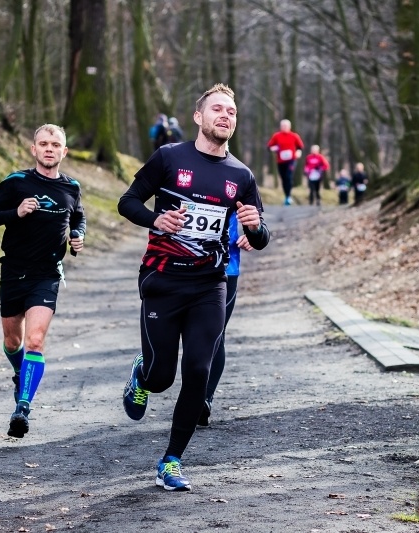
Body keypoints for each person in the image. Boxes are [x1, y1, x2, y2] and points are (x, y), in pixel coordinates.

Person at [117, 83, 270, 492]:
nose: (225, 116)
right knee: (162, 376)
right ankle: (141, 373)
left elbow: (259, 235)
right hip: (163, 279)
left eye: (232, 112)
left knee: (199, 369)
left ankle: (171, 460)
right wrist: (155, 220)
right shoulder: (169, 158)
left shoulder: (241, 175)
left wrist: (255, 228)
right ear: (199, 117)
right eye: (217, 109)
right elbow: (127, 201)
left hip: (209, 285)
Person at [0, 124, 86, 439]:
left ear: (64, 152)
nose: (49, 148)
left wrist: (78, 236)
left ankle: (22, 407)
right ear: (34, 149)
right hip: (13, 270)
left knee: (35, 341)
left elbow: (78, 217)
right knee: (14, 342)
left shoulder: (72, 187)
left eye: (55, 144)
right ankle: (19, 373)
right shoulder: (17, 182)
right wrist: (16, 212)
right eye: (43, 143)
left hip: (47, 273)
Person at [198, 213, 253, 427]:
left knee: (215, 334)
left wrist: (254, 233)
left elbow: (257, 219)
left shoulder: (241, 178)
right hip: (179, 264)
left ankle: (203, 399)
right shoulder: (174, 177)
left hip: (225, 267)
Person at [267, 119, 304, 206]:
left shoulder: (294, 136)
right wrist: (274, 148)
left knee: (288, 176)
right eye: (283, 126)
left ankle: (289, 196)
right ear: (280, 127)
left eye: (286, 126)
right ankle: (286, 196)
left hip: (291, 160)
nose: (284, 127)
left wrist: (298, 152)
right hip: (280, 160)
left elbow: (300, 147)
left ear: (289, 127)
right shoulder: (277, 136)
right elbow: (269, 146)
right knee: (283, 178)